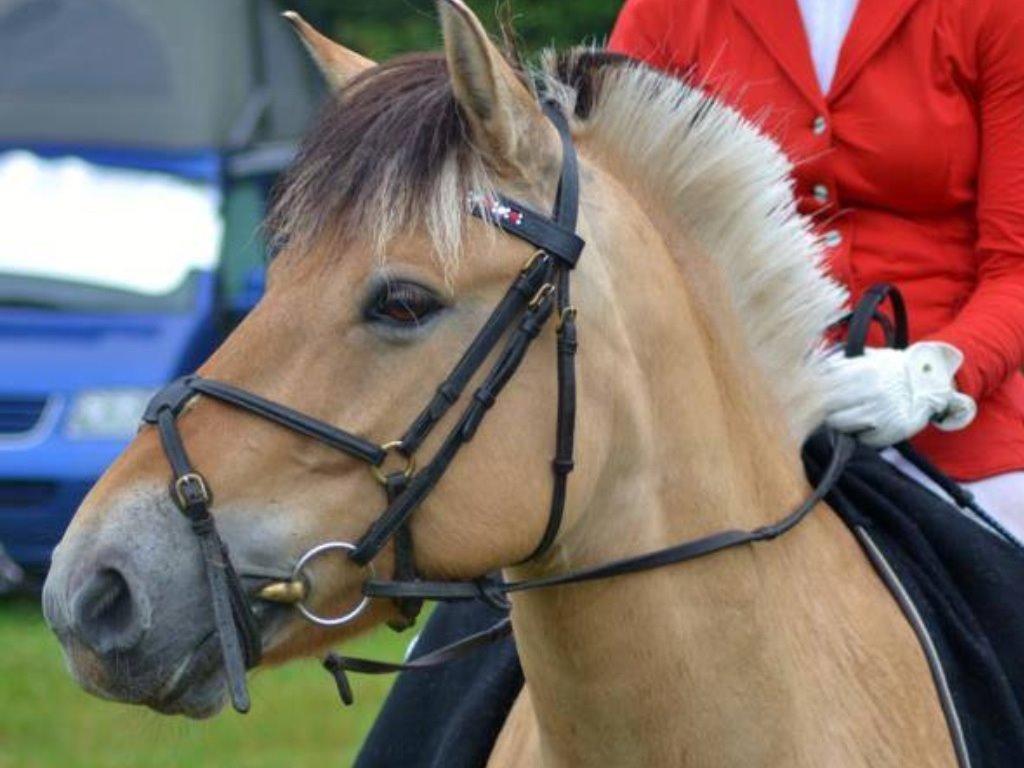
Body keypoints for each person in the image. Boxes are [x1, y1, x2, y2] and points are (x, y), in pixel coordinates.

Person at [610, 0, 1024, 540]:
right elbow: (613, 218)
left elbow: (1015, 267)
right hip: (729, 416)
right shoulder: (669, 11)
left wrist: (933, 374)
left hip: (949, 424)